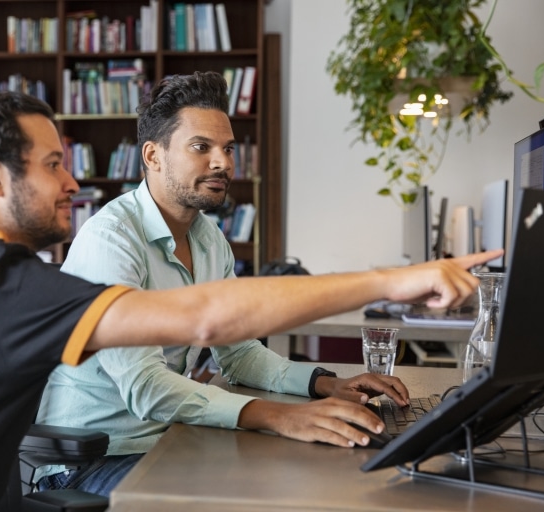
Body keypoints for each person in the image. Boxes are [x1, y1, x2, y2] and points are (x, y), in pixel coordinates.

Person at [0, 91, 497, 512]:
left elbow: (230, 340)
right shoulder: (7, 288)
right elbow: (204, 318)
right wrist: (395, 279)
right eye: (53, 164)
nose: (74, 181)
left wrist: (316, 385)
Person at [34, 72, 502, 497]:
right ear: (153, 156)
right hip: (91, 460)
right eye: (202, 147)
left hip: (164, 439)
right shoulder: (110, 240)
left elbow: (238, 354)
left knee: (322, 469)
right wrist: (280, 416)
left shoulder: (207, 236)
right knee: (269, 489)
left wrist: (324, 384)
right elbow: (147, 388)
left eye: (229, 148)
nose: (222, 162)